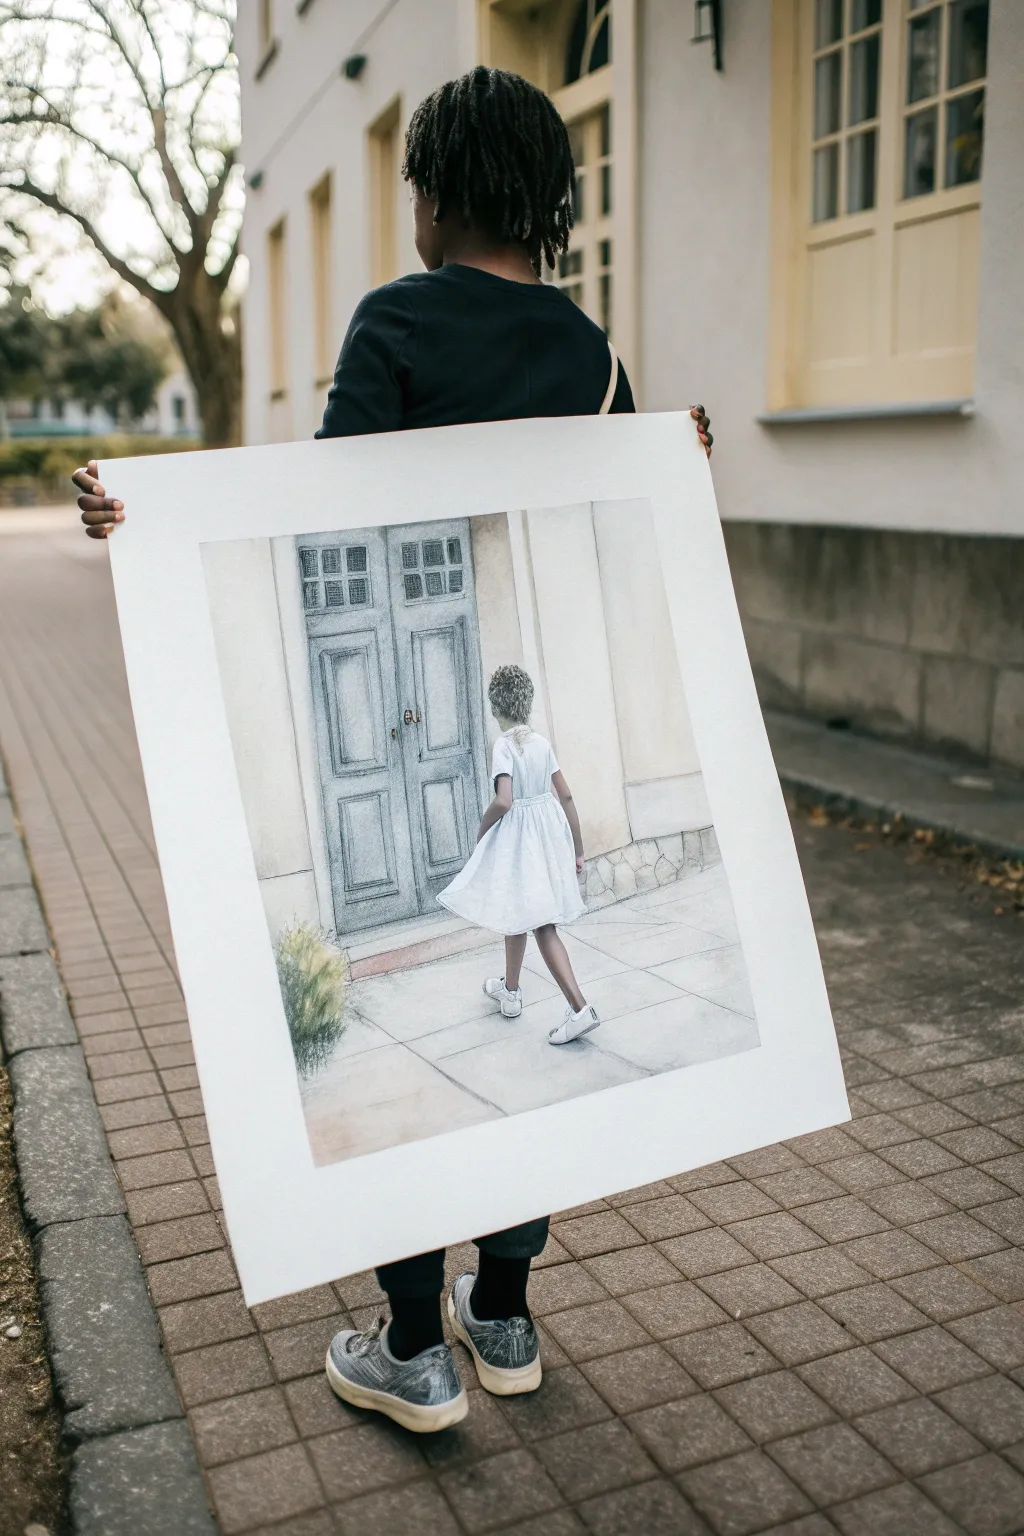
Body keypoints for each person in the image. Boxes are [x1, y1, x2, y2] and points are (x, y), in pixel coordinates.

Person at [74, 66, 713, 1435]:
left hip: (390, 682)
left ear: (439, 201)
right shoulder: (594, 354)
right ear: (543, 205)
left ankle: (416, 1350)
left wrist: (145, 524)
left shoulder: (397, 323)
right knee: (528, 1080)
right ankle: (508, 1314)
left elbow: (313, 513)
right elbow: (627, 510)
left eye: (414, 186)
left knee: (436, 1106)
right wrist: (680, 459)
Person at [440, 663, 601, 1045]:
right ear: (526, 703)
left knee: (542, 924)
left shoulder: (504, 746)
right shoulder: (542, 744)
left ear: (497, 708)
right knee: (518, 909)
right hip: (547, 838)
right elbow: (566, 795)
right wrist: (578, 849)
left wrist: (482, 830)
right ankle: (510, 992)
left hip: (520, 841)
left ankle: (580, 1009)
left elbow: (504, 800)